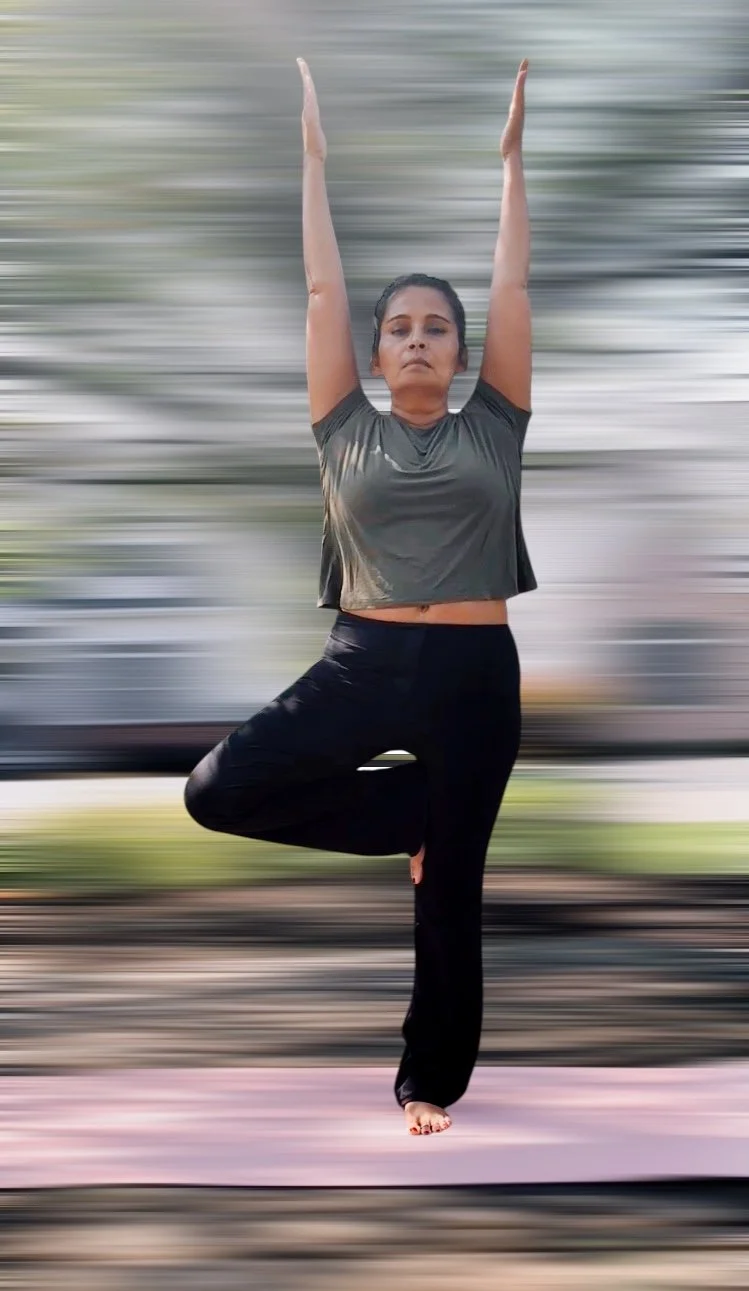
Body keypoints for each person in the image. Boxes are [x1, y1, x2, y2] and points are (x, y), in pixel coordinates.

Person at [185, 57, 536, 1137]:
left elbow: (515, 285)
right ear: (377, 355)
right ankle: (411, 817)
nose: (418, 337)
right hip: (363, 661)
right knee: (215, 791)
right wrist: (311, 161)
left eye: (437, 326)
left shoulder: (494, 423)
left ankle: (427, 1082)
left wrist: (511, 165)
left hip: (475, 676)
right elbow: (322, 291)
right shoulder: (344, 427)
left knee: (450, 899)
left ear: (462, 352)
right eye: (401, 328)